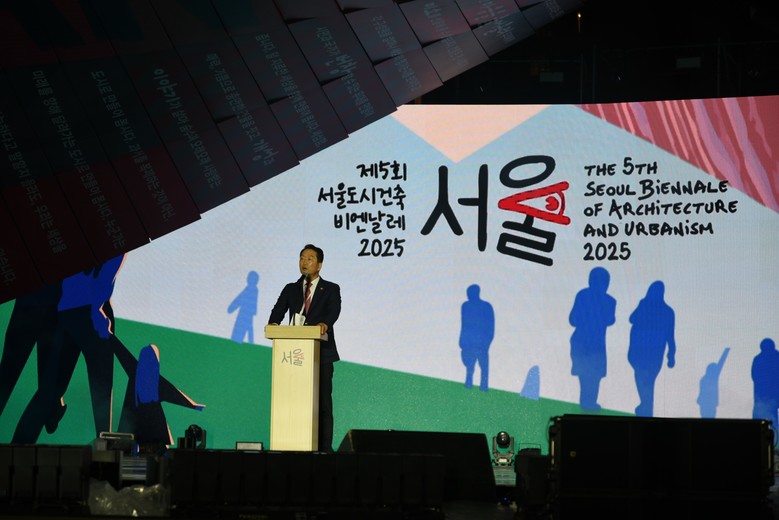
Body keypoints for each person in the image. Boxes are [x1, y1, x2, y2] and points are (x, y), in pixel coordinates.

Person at [268, 244, 341, 453]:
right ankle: (291, 443)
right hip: (295, 353)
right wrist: (273, 323)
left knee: (323, 403)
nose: (304, 262)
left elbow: (334, 311)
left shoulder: (331, 288)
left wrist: (325, 323)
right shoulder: (291, 288)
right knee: (293, 400)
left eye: (310, 258)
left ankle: (324, 448)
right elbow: (278, 310)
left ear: (319, 265)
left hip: (321, 354)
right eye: (301, 258)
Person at [568, 267, 617, 411]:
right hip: (586, 343)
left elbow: (573, 319)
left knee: (592, 375)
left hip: (592, 344)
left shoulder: (586, 296)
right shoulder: (607, 301)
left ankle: (588, 402)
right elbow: (573, 319)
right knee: (588, 375)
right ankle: (587, 402)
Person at [627, 280, 676, 417]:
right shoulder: (666, 311)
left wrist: (671, 355)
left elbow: (670, 335)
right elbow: (632, 319)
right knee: (647, 380)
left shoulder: (647, 305)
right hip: (648, 353)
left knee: (644, 379)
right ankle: (646, 407)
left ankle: (646, 407)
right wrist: (671, 355)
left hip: (646, 353)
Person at [458, 284, 494, 392]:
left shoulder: (486, 306)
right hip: (469, 342)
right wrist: (462, 340)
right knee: (469, 366)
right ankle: (469, 383)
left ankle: (483, 386)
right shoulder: (465, 306)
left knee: (483, 367)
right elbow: (464, 324)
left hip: (481, 343)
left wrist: (487, 342)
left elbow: (490, 326)